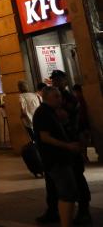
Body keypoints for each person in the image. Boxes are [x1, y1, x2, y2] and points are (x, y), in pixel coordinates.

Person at [33, 86, 87, 227]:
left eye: (59, 96)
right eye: (56, 96)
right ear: (46, 97)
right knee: (67, 193)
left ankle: (65, 219)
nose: (60, 99)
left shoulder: (54, 112)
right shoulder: (43, 113)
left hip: (61, 159)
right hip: (56, 160)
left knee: (68, 192)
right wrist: (67, 146)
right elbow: (45, 137)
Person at [48, 71, 92, 224]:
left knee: (77, 178)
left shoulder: (70, 99)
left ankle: (84, 210)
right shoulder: (53, 100)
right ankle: (57, 211)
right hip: (61, 146)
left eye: (58, 80)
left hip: (72, 142)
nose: (55, 83)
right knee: (59, 180)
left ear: (65, 81)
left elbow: (73, 121)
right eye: (53, 80)